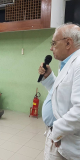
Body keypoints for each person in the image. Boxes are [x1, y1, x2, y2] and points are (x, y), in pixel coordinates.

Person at [38, 24, 80, 160]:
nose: (51, 48)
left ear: (68, 43)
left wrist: (56, 132)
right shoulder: (68, 63)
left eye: (54, 43)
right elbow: (60, 93)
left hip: (65, 139)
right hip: (59, 135)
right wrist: (49, 76)